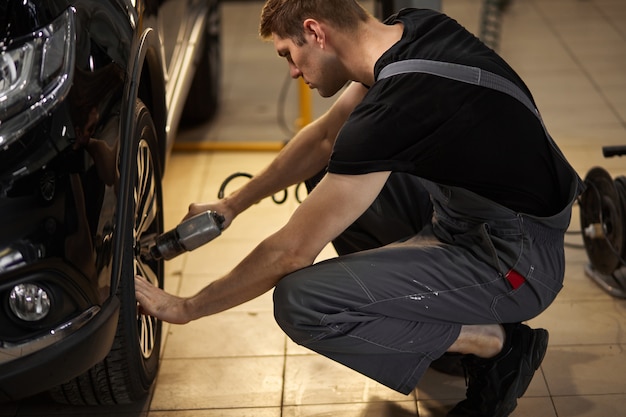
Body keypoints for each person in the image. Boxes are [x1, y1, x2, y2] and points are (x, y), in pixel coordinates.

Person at [135, 1, 583, 415]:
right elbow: (325, 138)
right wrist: (231, 205)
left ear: (316, 32)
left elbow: (290, 253)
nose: (293, 72)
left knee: (303, 302)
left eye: (289, 54)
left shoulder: (398, 104)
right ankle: (446, 326)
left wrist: (186, 308)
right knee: (331, 164)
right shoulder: (414, 28)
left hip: (515, 261)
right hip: (470, 220)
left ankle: (494, 342)